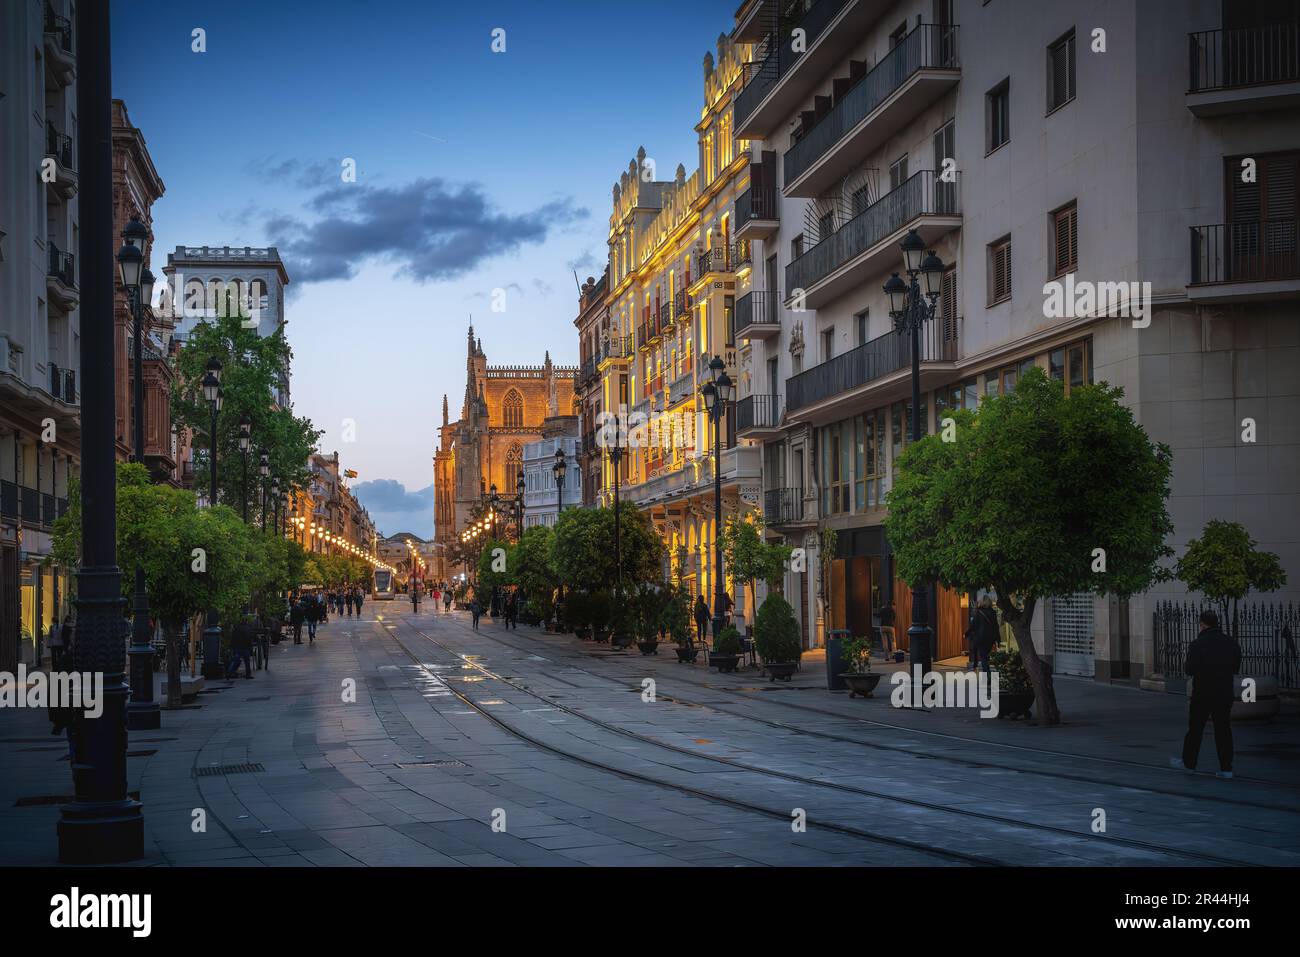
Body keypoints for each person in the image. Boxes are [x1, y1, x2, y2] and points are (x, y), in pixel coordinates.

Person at [1173, 609, 1242, 779]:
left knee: (1195, 730)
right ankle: (1226, 768)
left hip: (1202, 694)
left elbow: (1189, 670)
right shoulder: (1231, 643)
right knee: (1223, 731)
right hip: (1223, 694)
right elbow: (1235, 667)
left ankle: (1189, 764)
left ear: (1203, 624)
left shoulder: (1197, 644)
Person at [968, 596, 999, 677]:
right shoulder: (993, 612)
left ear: (982, 602)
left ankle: (988, 676)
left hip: (981, 638)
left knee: (983, 657)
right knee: (985, 656)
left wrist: (967, 633)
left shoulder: (978, 612)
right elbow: (996, 626)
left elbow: (973, 625)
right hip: (990, 639)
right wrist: (998, 639)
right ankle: (989, 676)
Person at [227, 615, 256, 679]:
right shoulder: (248, 628)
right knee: (247, 661)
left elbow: (233, 638)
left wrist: (231, 646)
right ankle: (248, 675)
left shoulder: (236, 628)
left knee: (235, 661)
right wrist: (250, 647)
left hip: (237, 647)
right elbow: (249, 638)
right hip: (245, 647)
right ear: (246, 622)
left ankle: (229, 673)